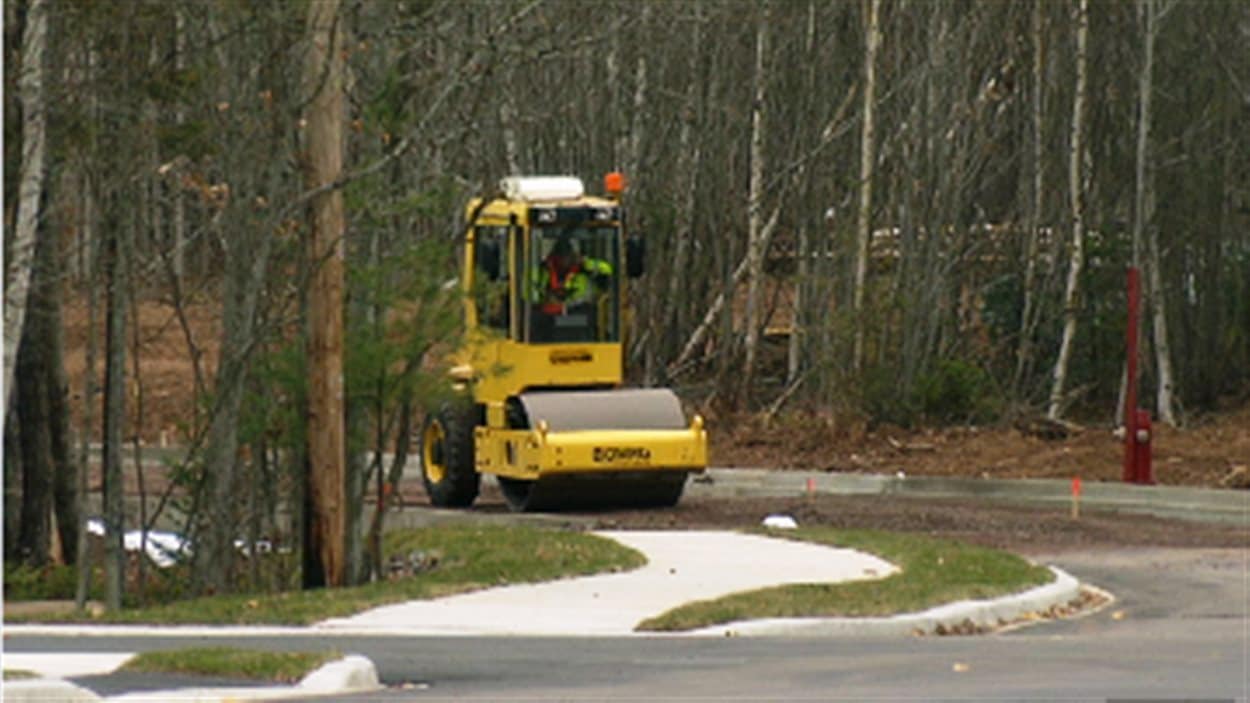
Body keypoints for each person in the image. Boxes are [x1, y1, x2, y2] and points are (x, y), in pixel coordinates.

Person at [528, 235, 613, 316]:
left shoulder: (583, 270)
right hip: (546, 317)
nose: (564, 260)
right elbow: (528, 295)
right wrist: (546, 298)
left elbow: (608, 270)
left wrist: (586, 263)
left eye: (567, 256)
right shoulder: (542, 270)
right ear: (554, 256)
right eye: (560, 256)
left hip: (583, 316)